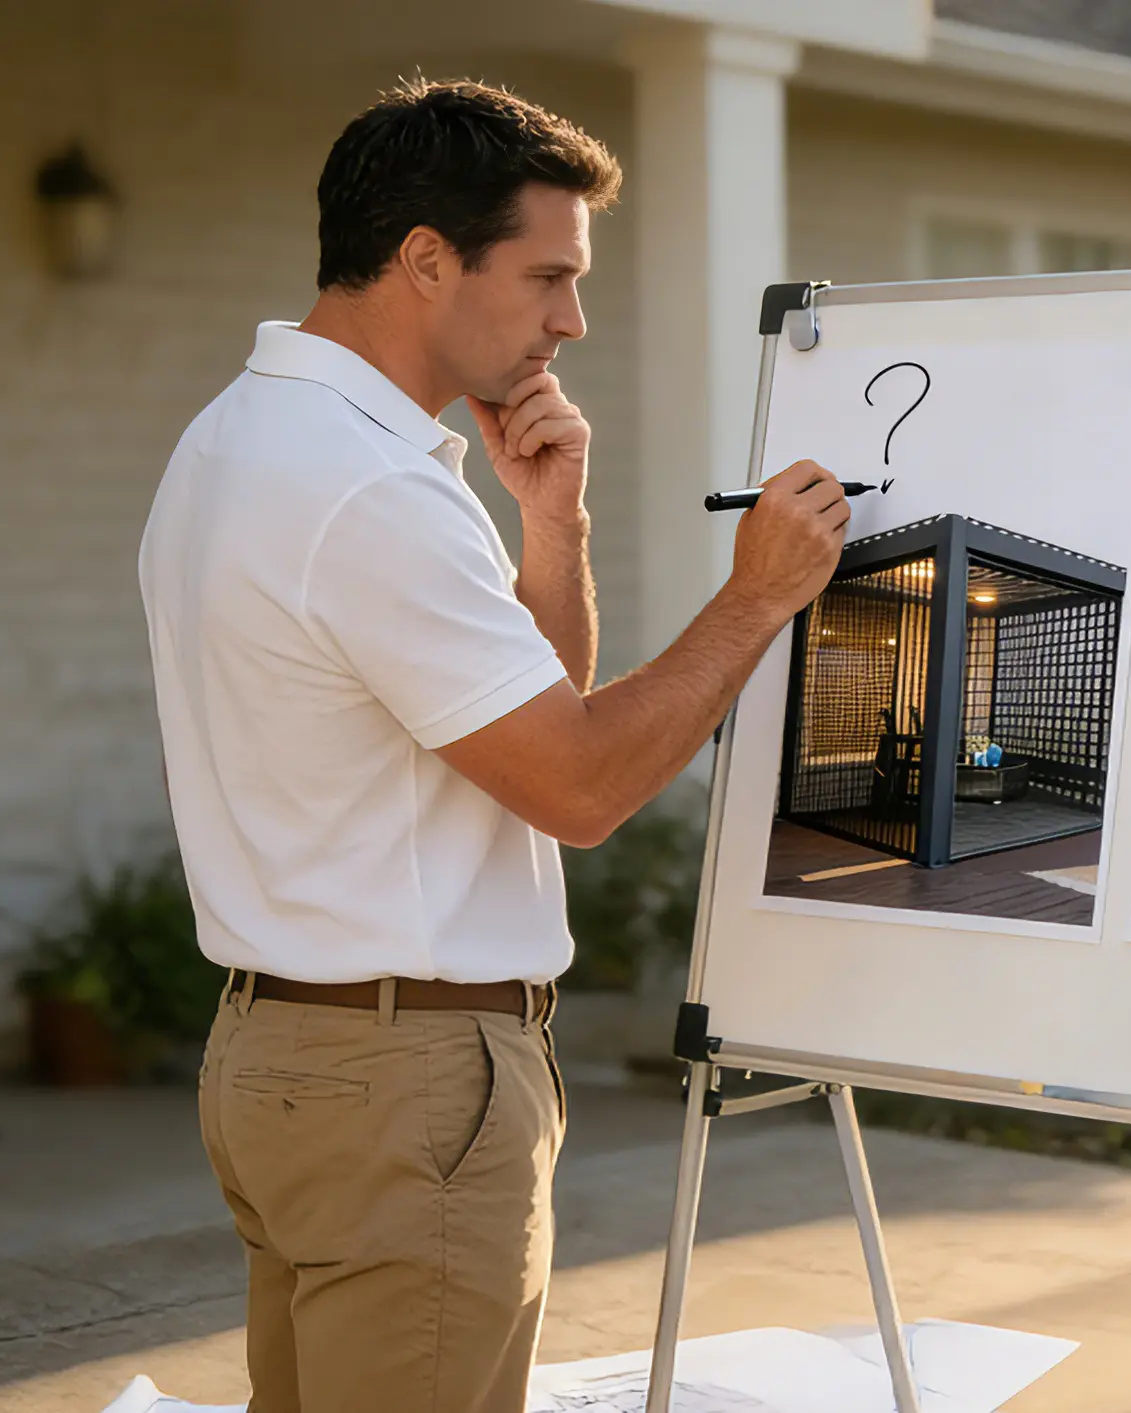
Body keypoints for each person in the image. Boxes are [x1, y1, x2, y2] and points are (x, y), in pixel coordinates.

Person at [137, 77, 846, 1412]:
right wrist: (758, 595)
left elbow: (518, 728)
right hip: (403, 1087)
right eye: (547, 278)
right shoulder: (365, 487)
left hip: (292, 1065)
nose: (571, 320)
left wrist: (551, 528)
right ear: (422, 260)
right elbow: (577, 785)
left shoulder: (236, 438)